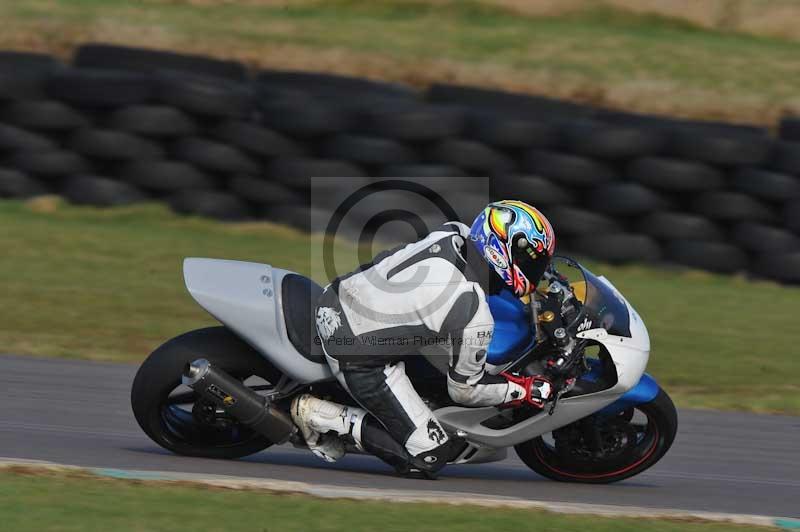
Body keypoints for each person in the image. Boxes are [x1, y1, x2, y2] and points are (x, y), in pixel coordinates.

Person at [291, 200, 557, 477]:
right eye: (532, 262)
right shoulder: (472, 311)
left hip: (336, 296)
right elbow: (465, 391)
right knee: (430, 455)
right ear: (502, 252)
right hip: (353, 351)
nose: (535, 272)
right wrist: (526, 390)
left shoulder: (453, 234)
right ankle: (321, 415)